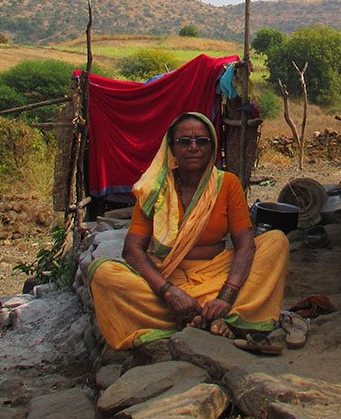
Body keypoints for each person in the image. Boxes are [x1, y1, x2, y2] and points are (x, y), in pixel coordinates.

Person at [90, 111, 288, 349]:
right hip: (168, 275)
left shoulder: (227, 184)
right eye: (184, 141)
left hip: (218, 274)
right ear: (171, 148)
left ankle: (217, 313)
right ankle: (211, 316)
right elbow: (133, 251)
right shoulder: (155, 189)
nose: (193, 147)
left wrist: (227, 294)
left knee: (276, 241)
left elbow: (245, 243)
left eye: (201, 141)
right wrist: (169, 292)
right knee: (102, 273)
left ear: (212, 147)